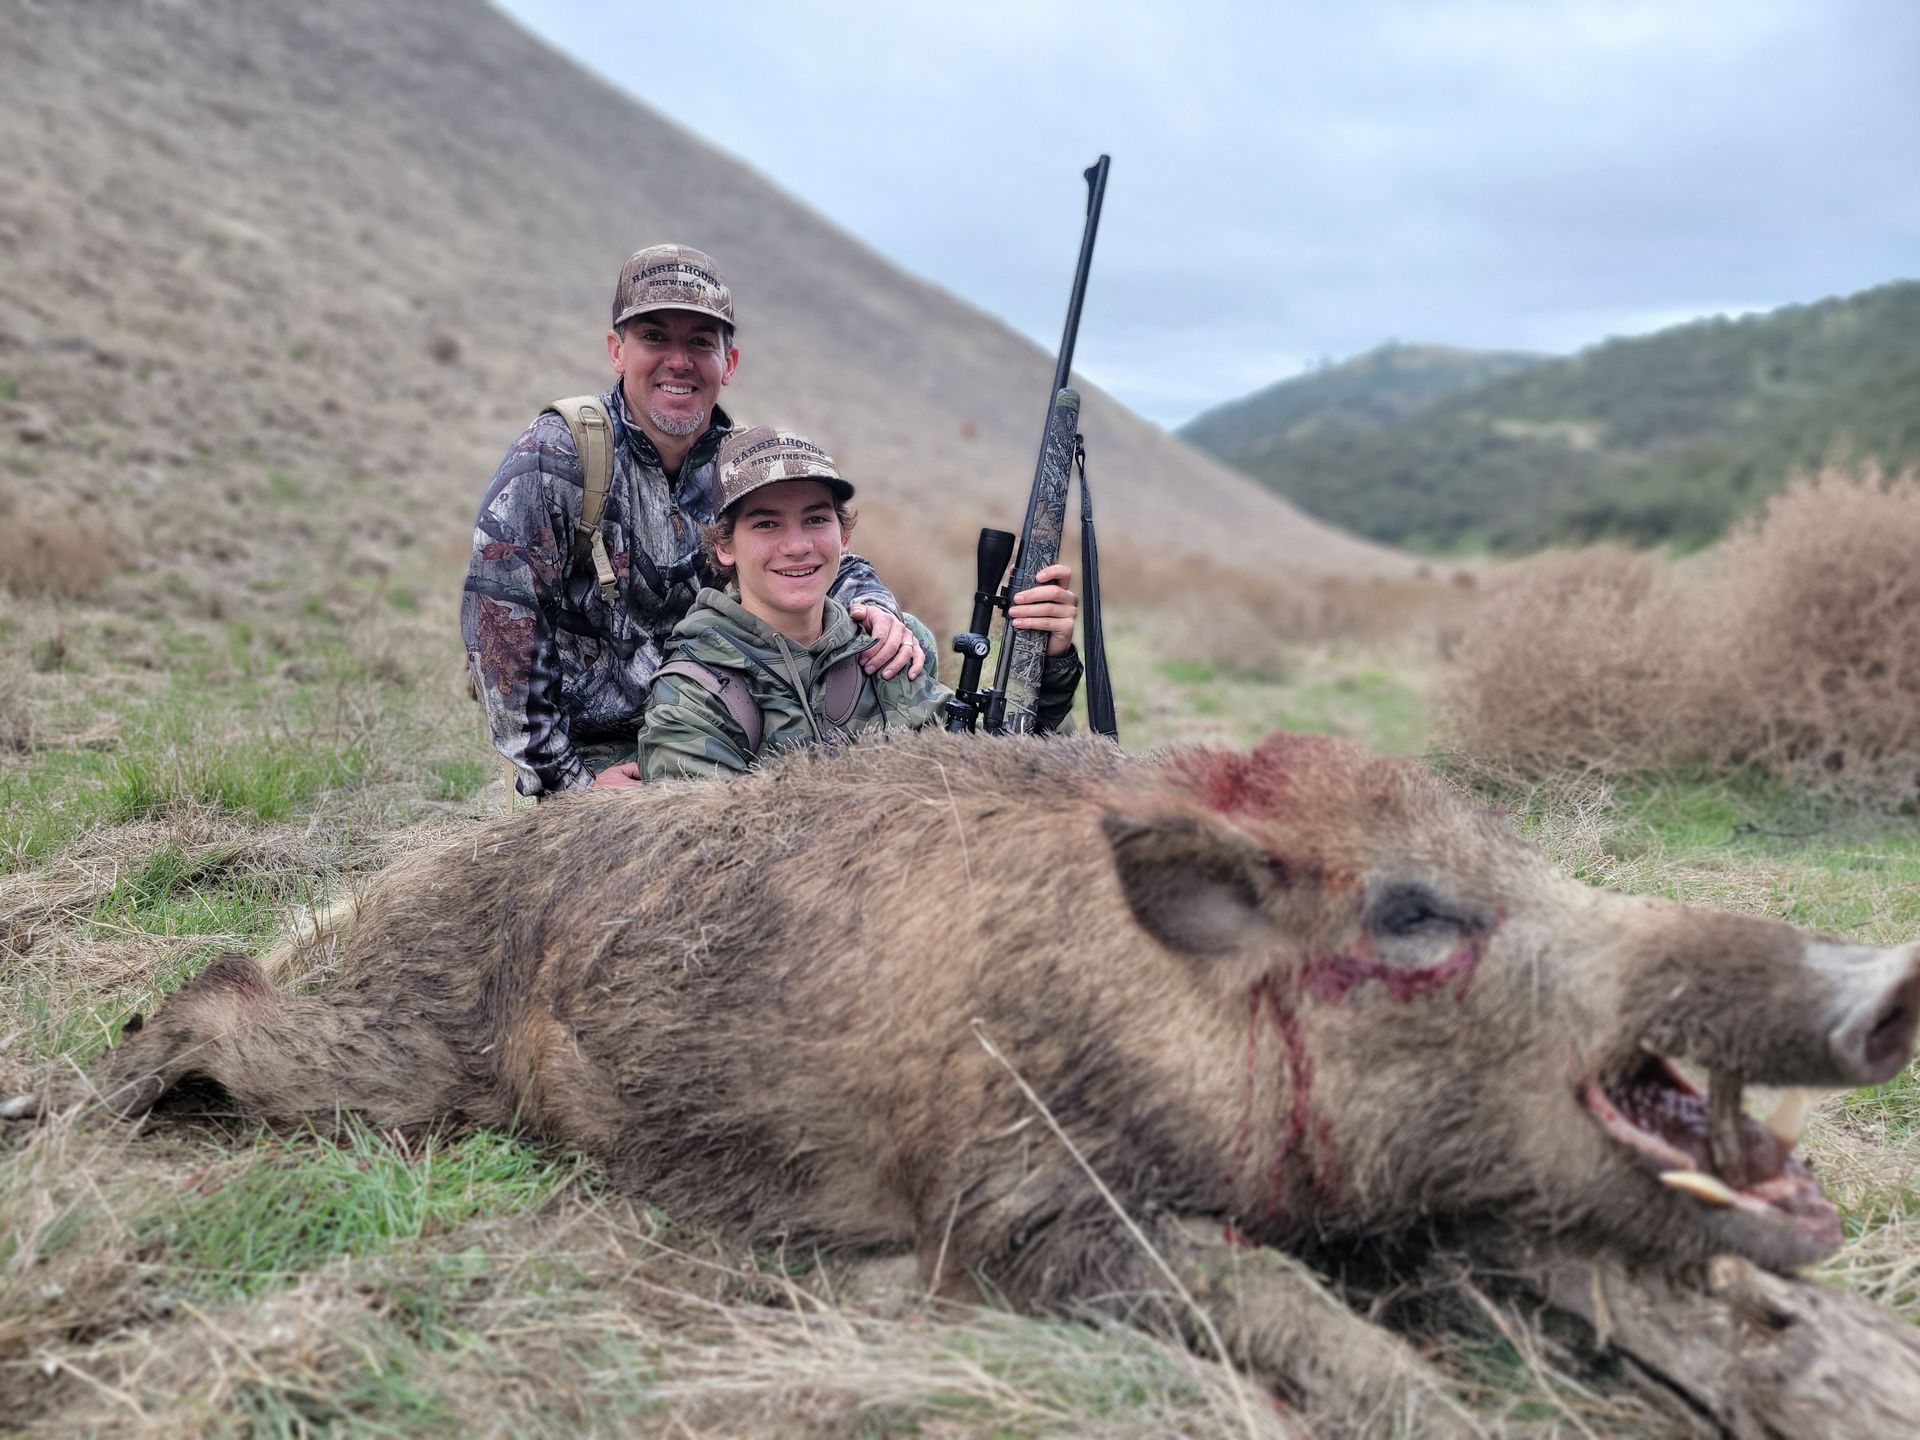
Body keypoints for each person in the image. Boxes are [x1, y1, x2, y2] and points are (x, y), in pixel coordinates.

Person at [461, 244, 927, 799]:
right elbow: (500, 624)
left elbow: (808, 555)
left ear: (729, 363)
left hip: (726, 724)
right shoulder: (558, 456)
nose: (678, 361)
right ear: (617, 351)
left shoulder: (744, 464)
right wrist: (571, 787)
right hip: (601, 754)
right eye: (654, 336)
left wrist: (875, 605)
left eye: (700, 342)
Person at [638, 427, 1081, 780]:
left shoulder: (882, 654)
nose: (797, 546)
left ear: (843, 536)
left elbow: (1004, 778)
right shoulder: (692, 697)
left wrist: (1044, 660)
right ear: (724, 547)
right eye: (766, 523)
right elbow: (708, 861)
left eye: (815, 519)